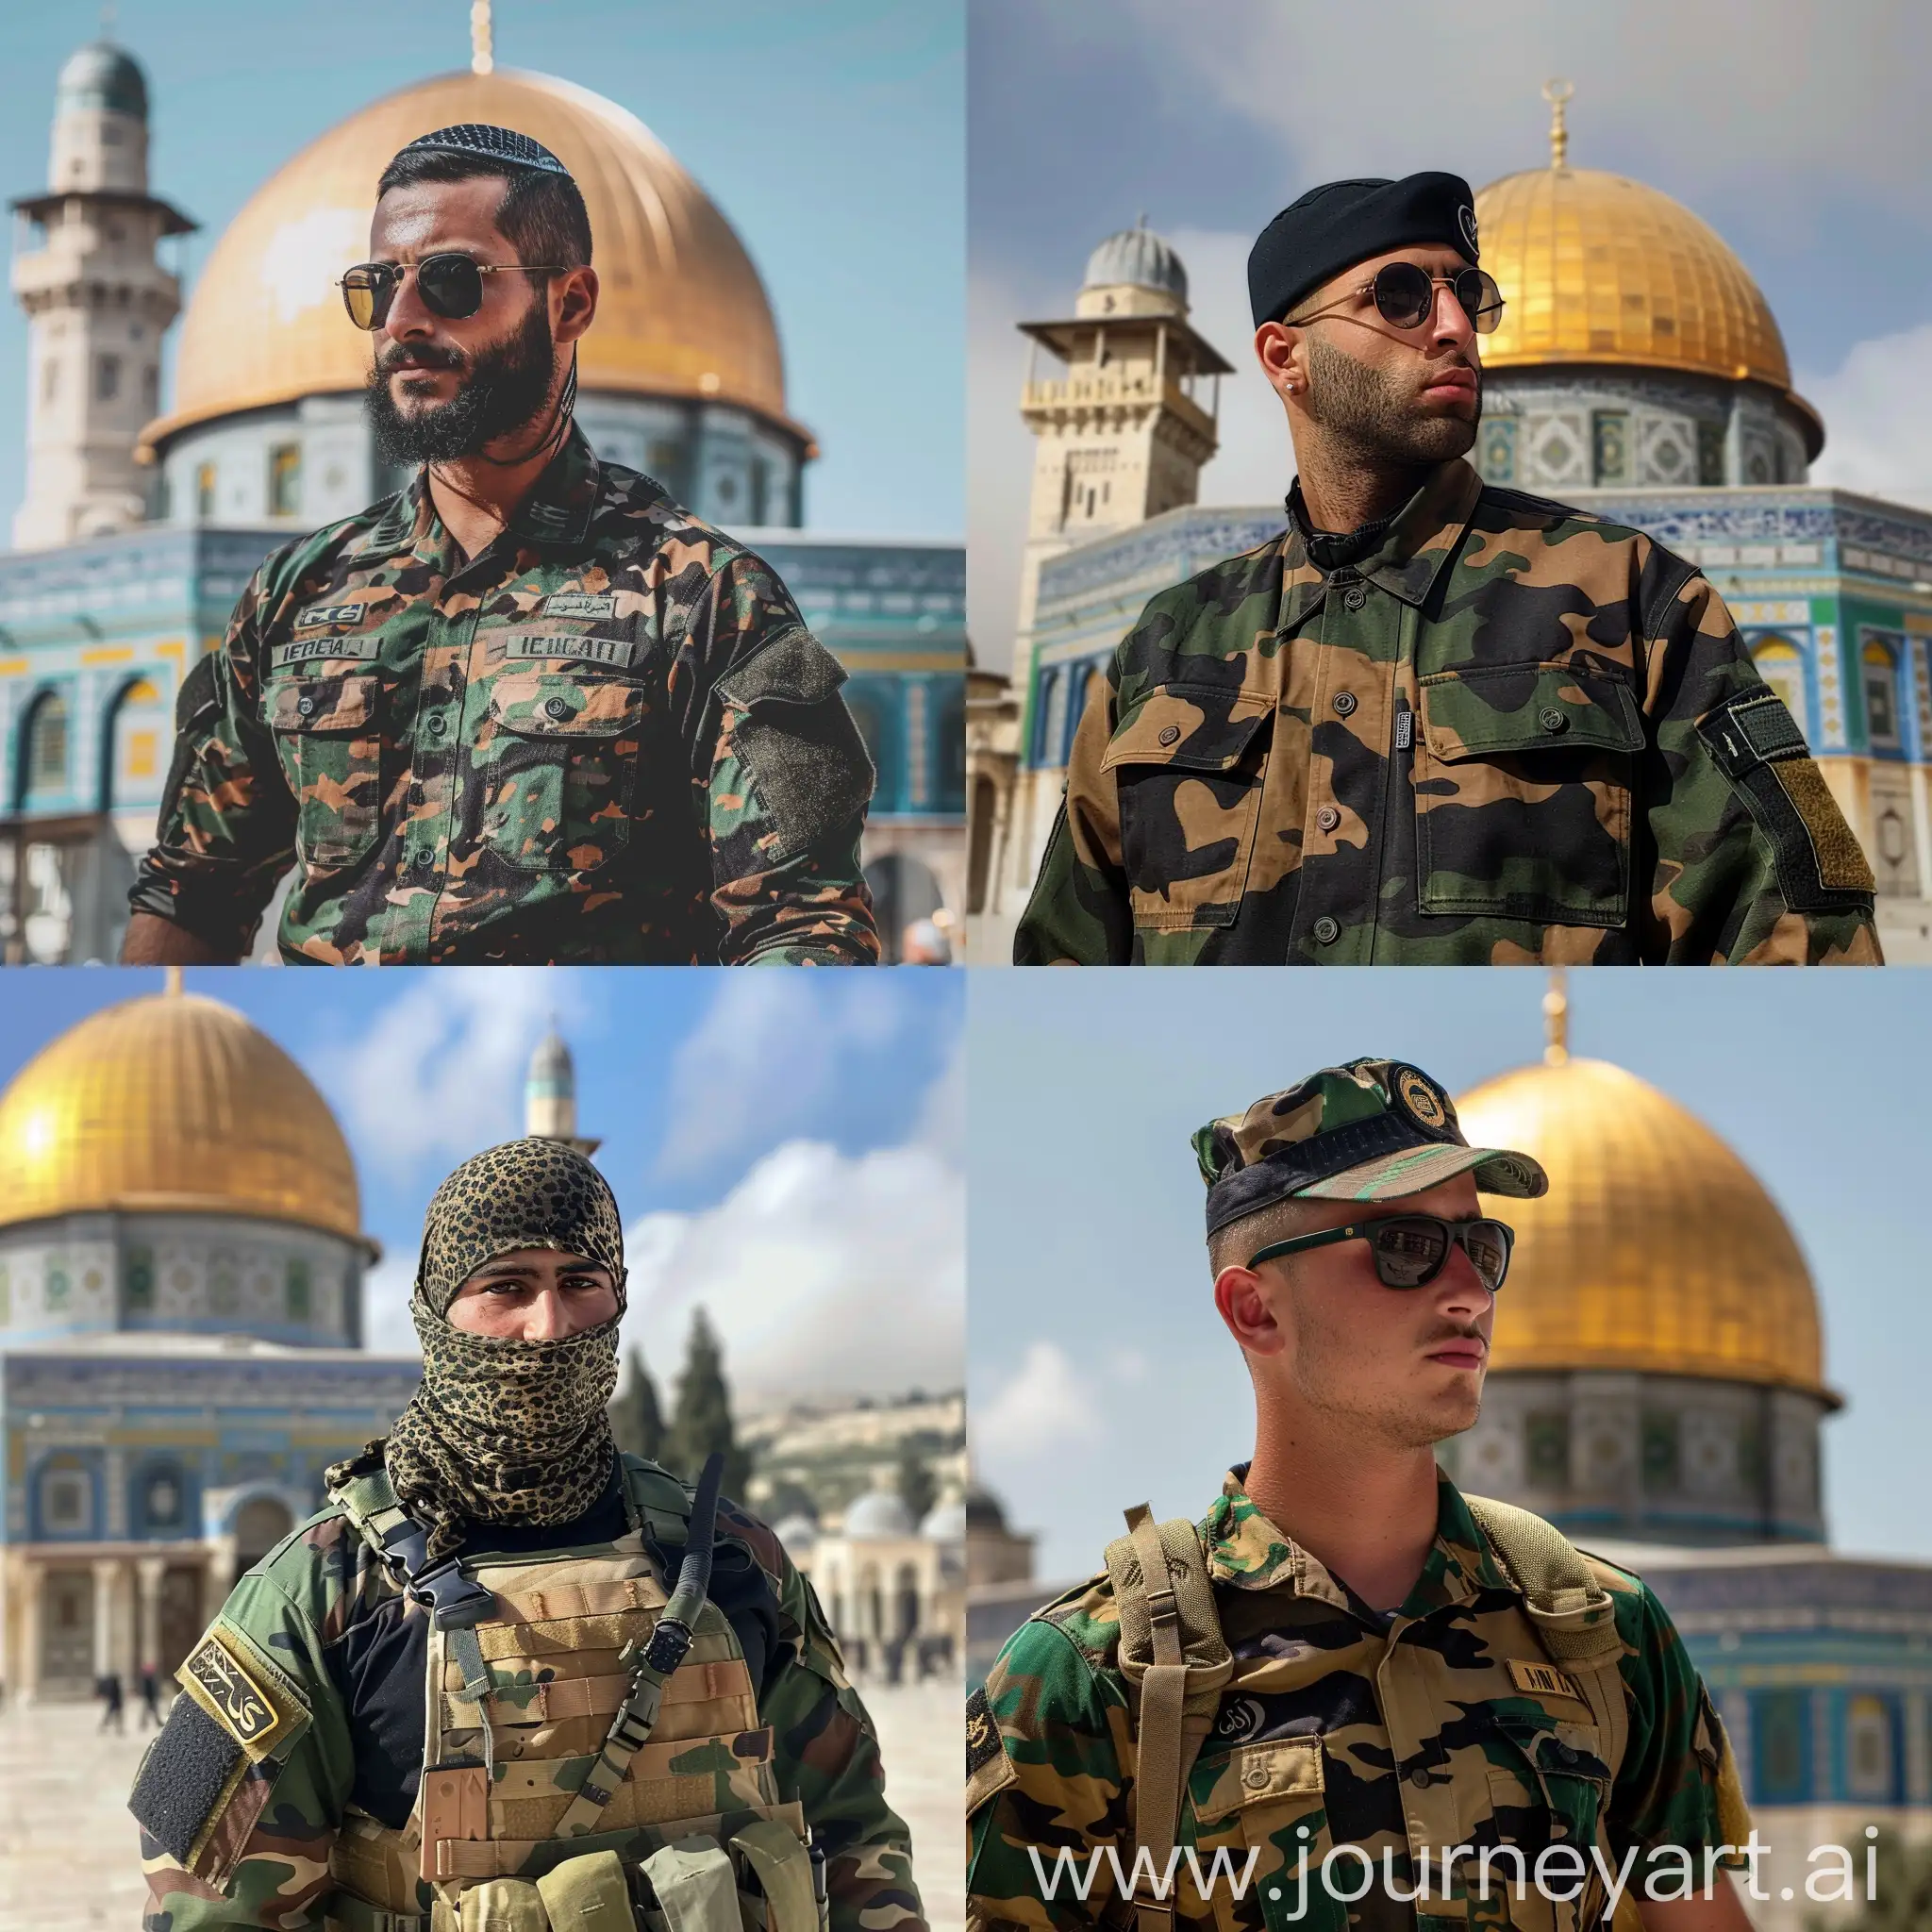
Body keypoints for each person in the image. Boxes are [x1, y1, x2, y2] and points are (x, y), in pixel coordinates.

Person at [968, 1058, 1757, 1931]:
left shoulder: (1605, 1635)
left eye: (1480, 1247)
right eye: (1408, 1249)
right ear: (1255, 1309)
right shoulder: (1095, 1678)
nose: (1469, 1294)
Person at [1014, 172, 1879, 967]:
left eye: (1469, 294)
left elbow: (1803, 948)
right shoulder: (1167, 648)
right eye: (1397, 298)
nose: (1456, 327)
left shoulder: (1636, 600)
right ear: (1286, 358)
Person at [124, 124, 878, 967]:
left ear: (571, 303)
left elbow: (803, 925)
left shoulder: (701, 598)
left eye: (451, 281)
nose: (401, 321)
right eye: (378, 286)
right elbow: (188, 892)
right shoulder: (296, 597)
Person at [133, 1138, 921, 1932]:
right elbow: (212, 1913)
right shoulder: (319, 1592)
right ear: (435, 1314)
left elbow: (858, 1838)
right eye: (507, 1287)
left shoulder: (729, 1555)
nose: (549, 1328)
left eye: (580, 1283)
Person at [98, 1670, 125, 1735]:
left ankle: (118, 1729)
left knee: (112, 1717)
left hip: (113, 1703)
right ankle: (118, 1729)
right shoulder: (116, 1686)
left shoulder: (113, 1686)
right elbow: (118, 1696)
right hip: (115, 1703)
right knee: (115, 1717)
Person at [140, 1662, 164, 1730]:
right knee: (146, 1711)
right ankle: (143, 1723)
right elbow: (147, 1689)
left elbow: (154, 1688)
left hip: (152, 1697)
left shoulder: (151, 1678)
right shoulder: (147, 1679)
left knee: (153, 1711)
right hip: (149, 1697)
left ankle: (155, 1722)